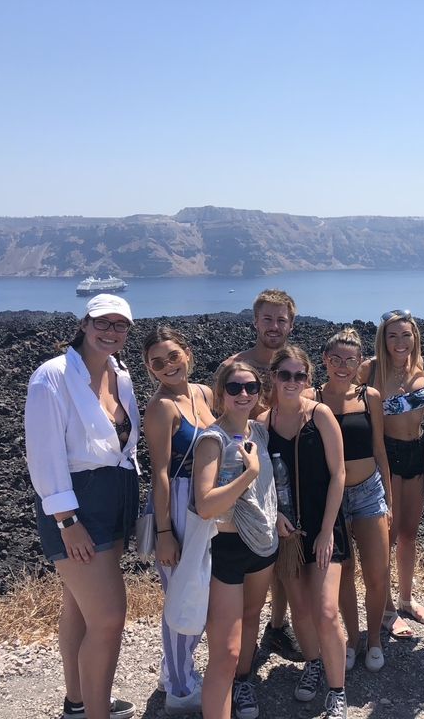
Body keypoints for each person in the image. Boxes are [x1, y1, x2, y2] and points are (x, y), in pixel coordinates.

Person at [24, 294, 139, 719]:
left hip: (115, 497)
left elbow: (122, 446)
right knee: (108, 619)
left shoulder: (119, 374)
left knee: (79, 603)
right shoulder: (52, 376)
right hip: (77, 505)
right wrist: (67, 521)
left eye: (120, 325)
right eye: (102, 322)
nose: (111, 331)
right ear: (84, 324)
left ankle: (78, 702)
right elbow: (43, 454)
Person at [192, 361, 279, 719]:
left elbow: (268, 486)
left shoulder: (259, 431)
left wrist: (277, 514)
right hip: (226, 549)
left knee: (252, 617)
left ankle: (243, 683)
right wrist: (249, 473)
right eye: (234, 388)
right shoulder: (212, 440)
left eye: (251, 387)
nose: (243, 394)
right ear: (221, 393)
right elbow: (205, 506)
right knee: (225, 653)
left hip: (263, 544)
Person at [265, 347, 349, 719]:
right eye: (285, 374)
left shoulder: (320, 415)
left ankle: (337, 690)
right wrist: (273, 518)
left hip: (323, 526)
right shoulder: (262, 423)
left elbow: (339, 474)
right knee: (300, 608)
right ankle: (313, 663)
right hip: (285, 532)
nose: (292, 382)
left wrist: (327, 531)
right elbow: (258, 484)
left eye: (300, 376)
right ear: (273, 377)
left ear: (308, 379)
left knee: (326, 611)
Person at [221, 288, 302, 661]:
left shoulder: (292, 366)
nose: (274, 326)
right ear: (255, 321)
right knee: (248, 564)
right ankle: (240, 648)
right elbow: (220, 421)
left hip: (286, 475)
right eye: (267, 319)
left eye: (280, 320)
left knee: (282, 556)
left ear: (291, 324)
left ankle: (277, 627)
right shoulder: (235, 368)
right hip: (246, 479)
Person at [357, 310, 424, 639]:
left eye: (405, 335)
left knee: (409, 534)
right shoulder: (370, 369)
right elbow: (350, 405)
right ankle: (386, 609)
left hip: (416, 452)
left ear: (414, 337)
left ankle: (407, 600)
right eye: (392, 335)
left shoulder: (418, 366)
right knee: (387, 537)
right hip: (388, 455)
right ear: (382, 338)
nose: (399, 342)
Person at [141, 327, 217, 713]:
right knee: (184, 596)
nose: (168, 366)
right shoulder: (161, 407)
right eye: (158, 362)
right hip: (177, 506)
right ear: (149, 368)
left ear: (186, 352)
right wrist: (164, 532)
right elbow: (160, 474)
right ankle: (180, 688)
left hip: (204, 505)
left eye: (173, 356)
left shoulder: (203, 393)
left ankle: (172, 671)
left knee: (196, 592)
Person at [316, 328, 392, 672]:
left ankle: (374, 639)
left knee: (378, 573)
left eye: (350, 360)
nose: (342, 366)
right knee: (344, 571)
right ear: (324, 360)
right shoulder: (312, 398)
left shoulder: (369, 397)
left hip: (368, 492)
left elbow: (379, 449)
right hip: (331, 496)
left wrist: (389, 499)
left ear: (360, 362)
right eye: (336, 359)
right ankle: (353, 638)